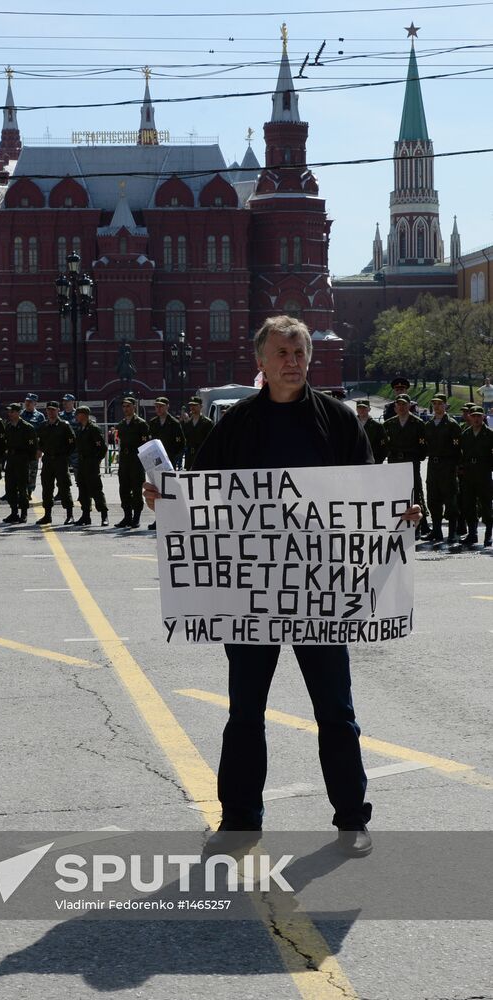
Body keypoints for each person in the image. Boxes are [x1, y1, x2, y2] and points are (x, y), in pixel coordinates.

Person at [143, 316, 421, 859]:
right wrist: (167, 502)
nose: (292, 361)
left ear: (309, 357)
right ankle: (240, 822)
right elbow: (198, 495)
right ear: (262, 362)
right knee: (245, 713)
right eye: (282, 352)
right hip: (252, 597)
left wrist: (399, 513)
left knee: (335, 713)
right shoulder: (236, 424)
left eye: (299, 351)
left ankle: (351, 820)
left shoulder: (339, 421)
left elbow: (366, 497)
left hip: (322, 591)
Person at [383, 393, 430, 537]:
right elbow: (384, 445)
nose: (402, 407)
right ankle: (398, 523)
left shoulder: (418, 423)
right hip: (394, 463)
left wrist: (416, 459)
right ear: (395, 407)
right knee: (396, 493)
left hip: (411, 462)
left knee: (415, 493)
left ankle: (418, 526)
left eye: (404, 404)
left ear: (409, 405)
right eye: (399, 404)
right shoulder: (389, 424)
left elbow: (423, 447)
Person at [423, 393, 461, 543]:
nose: (437, 407)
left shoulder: (452, 425)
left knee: (450, 498)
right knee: (433, 498)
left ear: (445, 405)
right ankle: (437, 531)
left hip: (448, 465)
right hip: (433, 465)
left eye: (440, 404)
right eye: (434, 404)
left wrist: (456, 467)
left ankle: (452, 532)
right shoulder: (429, 425)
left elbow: (458, 449)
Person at [147, 396, 186, 531]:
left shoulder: (174, 423)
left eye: (161, 406)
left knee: (168, 491)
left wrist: (173, 458)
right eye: (157, 406)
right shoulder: (153, 423)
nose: (159, 409)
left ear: (167, 407)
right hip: (155, 463)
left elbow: (181, 443)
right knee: (156, 491)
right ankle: (159, 519)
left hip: (168, 463)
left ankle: (171, 518)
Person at [36, 401, 75, 526]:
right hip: (48, 460)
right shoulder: (43, 426)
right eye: (49, 410)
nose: (51, 412)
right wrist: (41, 450)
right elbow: (39, 441)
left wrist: (65, 455)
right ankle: (47, 515)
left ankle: (70, 515)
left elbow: (72, 442)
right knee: (47, 488)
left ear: (58, 410)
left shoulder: (64, 425)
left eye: (53, 410)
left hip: (60, 460)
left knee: (64, 487)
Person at [459, 405, 493, 547]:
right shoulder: (465, 434)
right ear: (470, 418)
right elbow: (461, 454)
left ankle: (488, 535)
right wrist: (461, 468)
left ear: (483, 417)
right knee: (469, 504)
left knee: (486, 504)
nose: (476, 419)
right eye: (474, 416)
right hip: (468, 473)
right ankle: (472, 534)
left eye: (479, 416)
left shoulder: (490, 434)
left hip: (483, 472)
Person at [115, 397, 150, 528]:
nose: (126, 409)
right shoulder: (122, 424)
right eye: (124, 406)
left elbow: (145, 444)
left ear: (134, 407)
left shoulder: (141, 424)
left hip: (136, 461)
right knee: (123, 489)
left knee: (136, 490)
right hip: (124, 461)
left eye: (128, 406)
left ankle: (136, 517)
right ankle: (127, 516)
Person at [73, 405, 109, 527]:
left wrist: (96, 461)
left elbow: (102, 448)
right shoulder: (80, 428)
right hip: (82, 463)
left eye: (78, 414)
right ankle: (85, 516)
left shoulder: (93, 429)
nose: (77, 416)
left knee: (95, 489)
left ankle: (104, 515)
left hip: (91, 463)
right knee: (82, 489)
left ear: (84, 415)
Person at [3, 403, 37, 524]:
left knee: (22, 488)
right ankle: (14, 512)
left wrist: (29, 460)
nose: (10, 414)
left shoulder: (27, 427)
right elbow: (5, 444)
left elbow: (33, 447)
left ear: (18, 413)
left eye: (12, 412)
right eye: (9, 412)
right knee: (10, 487)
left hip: (22, 460)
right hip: (11, 459)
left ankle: (23, 513)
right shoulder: (8, 427)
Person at [21, 393, 45, 501]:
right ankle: (21, 491)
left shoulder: (40, 416)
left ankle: (29, 491)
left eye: (30, 402)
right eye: (26, 401)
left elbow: (42, 434)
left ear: (35, 403)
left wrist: (40, 449)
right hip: (21, 448)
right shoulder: (20, 414)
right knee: (22, 471)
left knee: (32, 472)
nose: (28, 403)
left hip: (34, 449)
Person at [183, 396, 214, 471]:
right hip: (190, 457)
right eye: (191, 405)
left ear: (201, 406)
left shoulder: (207, 422)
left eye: (195, 405)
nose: (192, 407)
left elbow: (212, 441)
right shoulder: (187, 423)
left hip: (203, 456)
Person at [355, 399, 386, 463]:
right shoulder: (352, 424)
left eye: (364, 407)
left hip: (372, 460)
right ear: (356, 409)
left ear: (369, 409)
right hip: (355, 460)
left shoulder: (377, 425)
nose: (361, 410)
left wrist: (379, 460)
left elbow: (384, 446)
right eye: (359, 408)